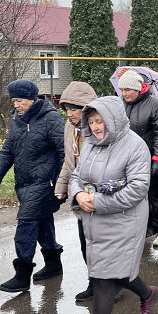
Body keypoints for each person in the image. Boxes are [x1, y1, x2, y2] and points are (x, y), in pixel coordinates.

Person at [69, 96, 158, 314]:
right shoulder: (90, 145)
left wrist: (97, 202)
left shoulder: (135, 146)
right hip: (94, 220)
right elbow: (77, 176)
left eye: (101, 121)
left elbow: (138, 189)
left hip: (124, 221)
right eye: (93, 121)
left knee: (104, 277)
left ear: (114, 119)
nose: (96, 127)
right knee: (114, 271)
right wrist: (77, 195)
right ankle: (147, 293)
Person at [0, 79, 65, 292]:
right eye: (13, 100)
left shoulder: (51, 119)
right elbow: (7, 151)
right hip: (24, 182)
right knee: (42, 222)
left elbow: (63, 152)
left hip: (44, 183)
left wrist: (61, 183)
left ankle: (22, 275)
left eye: (20, 100)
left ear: (32, 99)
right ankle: (53, 265)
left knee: (26, 225)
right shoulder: (17, 120)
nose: (16, 104)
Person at [54, 81, 97, 302]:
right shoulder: (70, 128)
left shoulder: (98, 127)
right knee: (84, 242)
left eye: (74, 109)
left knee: (101, 245)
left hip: (98, 196)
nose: (69, 114)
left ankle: (111, 284)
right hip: (79, 195)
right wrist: (61, 188)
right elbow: (69, 162)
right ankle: (94, 282)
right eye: (67, 109)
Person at [118, 70, 158, 244]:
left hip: (149, 157)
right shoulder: (121, 104)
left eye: (127, 90)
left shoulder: (153, 104)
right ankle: (139, 230)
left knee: (156, 196)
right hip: (127, 159)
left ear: (138, 88)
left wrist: (157, 159)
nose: (124, 93)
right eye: (122, 90)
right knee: (132, 196)